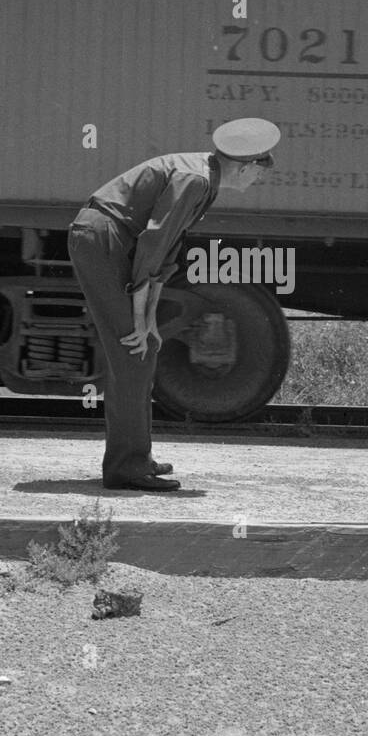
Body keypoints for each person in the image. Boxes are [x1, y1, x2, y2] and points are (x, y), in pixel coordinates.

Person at [68, 118, 282, 492]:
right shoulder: (195, 179)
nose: (256, 183)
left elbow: (165, 254)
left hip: (114, 243)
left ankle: (137, 456)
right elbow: (152, 247)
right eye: (258, 175)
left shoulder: (203, 177)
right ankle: (126, 469)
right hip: (102, 241)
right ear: (246, 166)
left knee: (145, 346)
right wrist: (138, 319)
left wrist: (148, 322)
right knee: (131, 351)